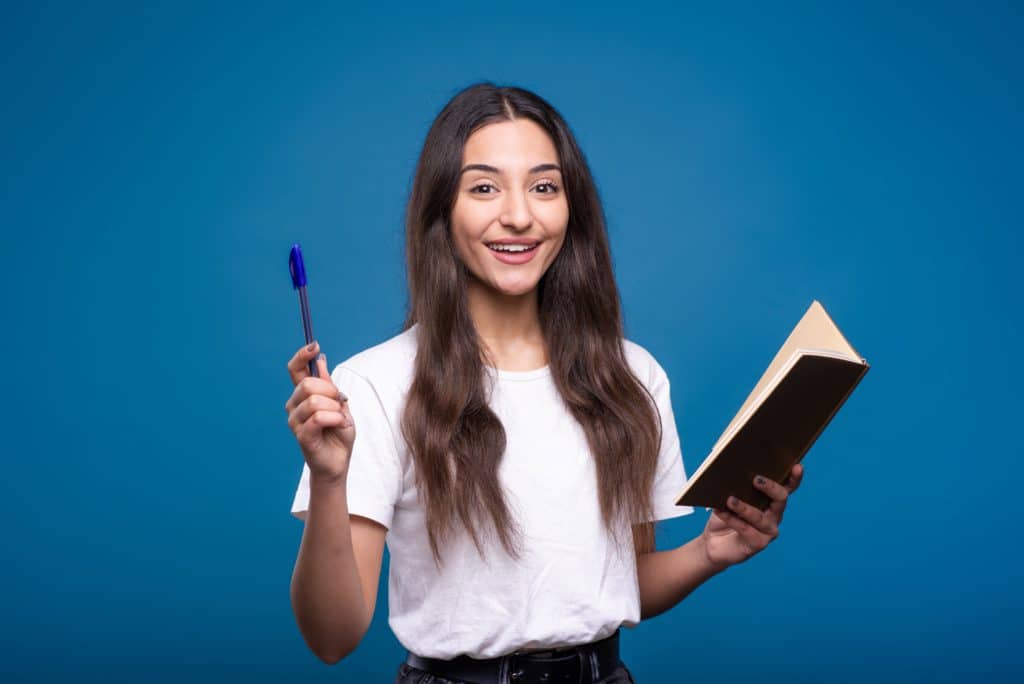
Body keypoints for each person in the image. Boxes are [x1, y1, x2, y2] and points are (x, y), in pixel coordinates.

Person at [283, 82, 803, 684]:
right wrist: (329, 479)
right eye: (484, 187)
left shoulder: (632, 377)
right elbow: (331, 637)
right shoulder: (375, 384)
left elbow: (620, 586)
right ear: (440, 211)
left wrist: (710, 553)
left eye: (543, 187)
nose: (520, 215)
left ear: (570, 207)